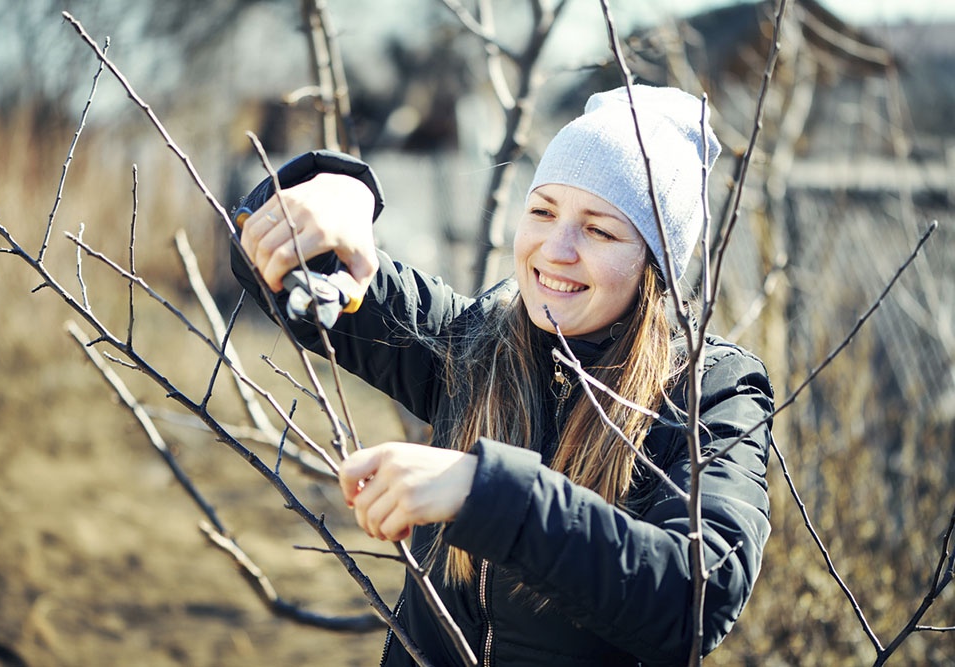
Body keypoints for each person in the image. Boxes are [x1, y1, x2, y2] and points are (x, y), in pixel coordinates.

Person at [230, 84, 774, 666]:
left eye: (600, 229)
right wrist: (338, 190)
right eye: (542, 211)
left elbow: (696, 601)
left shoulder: (708, 395)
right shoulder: (475, 346)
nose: (554, 248)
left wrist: (485, 492)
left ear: (655, 266)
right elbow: (266, 259)